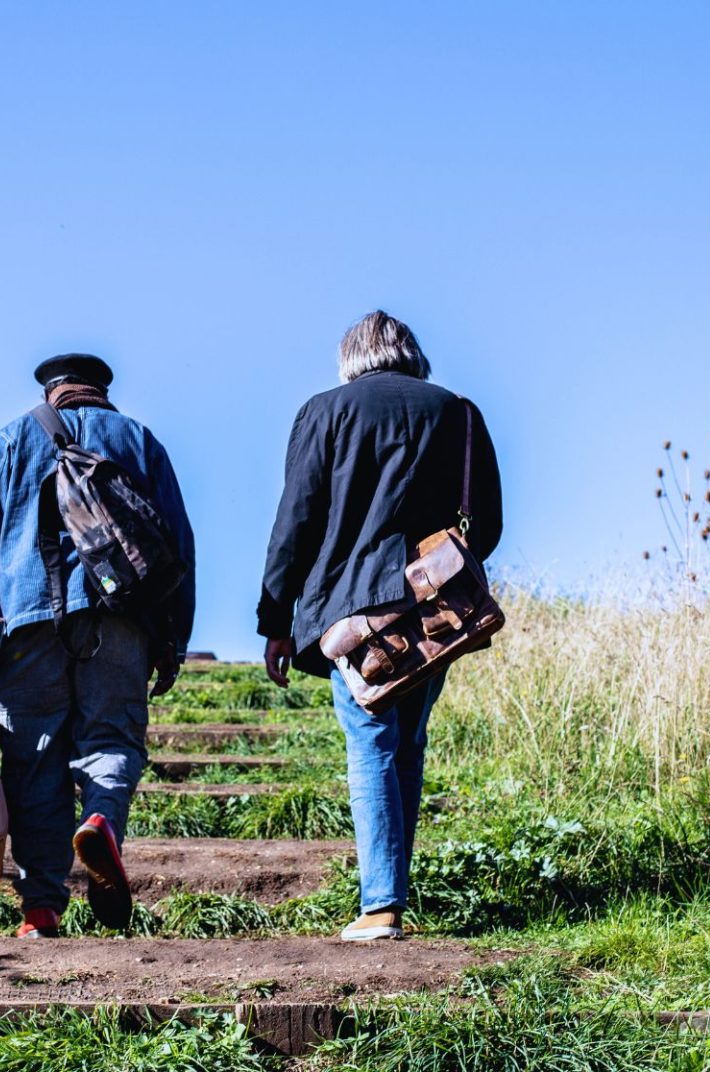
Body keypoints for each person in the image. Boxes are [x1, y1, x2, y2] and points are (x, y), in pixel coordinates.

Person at [257, 311, 502, 942]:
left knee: (370, 743)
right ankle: (390, 895)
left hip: (351, 614)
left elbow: (297, 520)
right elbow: (487, 522)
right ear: (410, 353)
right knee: (407, 745)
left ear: (350, 358)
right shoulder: (457, 411)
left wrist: (275, 618)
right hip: (432, 615)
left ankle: (381, 907)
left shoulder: (325, 411)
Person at [0, 353, 195, 938]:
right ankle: (102, 817)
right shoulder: (139, 441)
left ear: (51, 391)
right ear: (100, 391)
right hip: (121, 621)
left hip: (25, 624)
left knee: (32, 763)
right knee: (111, 739)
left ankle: (40, 909)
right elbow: (178, 547)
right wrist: (172, 638)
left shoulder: (10, 441)